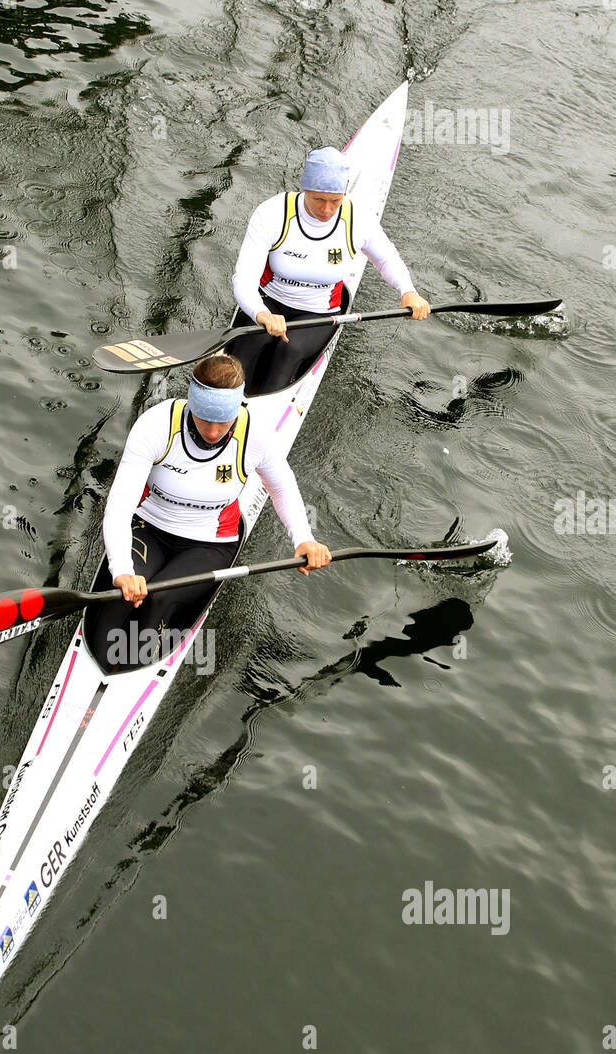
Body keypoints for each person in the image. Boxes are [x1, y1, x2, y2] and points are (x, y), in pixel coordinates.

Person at [88, 354, 330, 670]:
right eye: (204, 419)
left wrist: (304, 538)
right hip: (148, 526)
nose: (213, 431)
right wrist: (121, 569)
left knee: (157, 601)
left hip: (209, 543)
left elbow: (282, 487)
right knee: (117, 604)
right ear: (191, 404)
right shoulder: (156, 425)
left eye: (223, 421)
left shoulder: (256, 436)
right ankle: (107, 662)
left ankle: (133, 671)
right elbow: (119, 505)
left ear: (237, 410)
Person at [230, 145, 430, 393]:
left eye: (335, 201)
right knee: (242, 354)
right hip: (268, 301)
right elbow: (244, 278)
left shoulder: (358, 220)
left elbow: (387, 259)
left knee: (288, 351)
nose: (326, 210)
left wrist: (407, 291)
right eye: (318, 199)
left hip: (319, 313)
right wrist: (261, 313)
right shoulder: (272, 213)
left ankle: (266, 407)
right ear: (305, 189)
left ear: (344, 195)